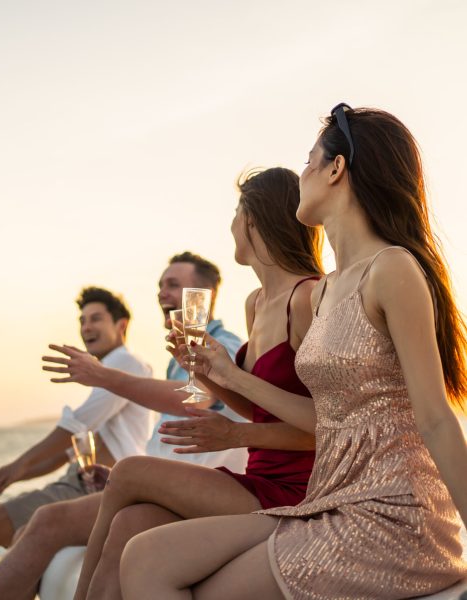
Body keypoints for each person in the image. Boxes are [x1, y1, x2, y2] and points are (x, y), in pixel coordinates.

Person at [120, 106, 467, 600]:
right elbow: (323, 417)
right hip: (331, 502)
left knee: (189, 584)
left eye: (309, 161)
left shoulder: (392, 269)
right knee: (146, 556)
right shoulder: (324, 294)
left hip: (395, 515)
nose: (301, 173)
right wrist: (225, 374)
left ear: (336, 169)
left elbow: (435, 418)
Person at [72, 167, 323, 600]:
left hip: (296, 490)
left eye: (236, 211)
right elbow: (256, 405)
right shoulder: (257, 304)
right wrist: (206, 370)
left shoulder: (307, 299)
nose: (230, 225)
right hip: (256, 479)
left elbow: (326, 428)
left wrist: (233, 434)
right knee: (131, 524)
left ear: (255, 220)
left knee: (128, 473)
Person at [0, 251, 260, 600]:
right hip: (159, 485)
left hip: (192, 493)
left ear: (204, 296)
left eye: (173, 285)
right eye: (160, 286)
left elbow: (196, 399)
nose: (161, 293)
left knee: (46, 523)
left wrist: (103, 376)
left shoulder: (223, 344)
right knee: (40, 525)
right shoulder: (180, 357)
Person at [0, 287, 153, 600]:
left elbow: (75, 426)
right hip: (77, 482)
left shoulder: (125, 363)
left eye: (96, 318)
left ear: (121, 326)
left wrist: (13, 468)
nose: (86, 327)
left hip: (93, 488)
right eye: (82, 320)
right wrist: (8, 477)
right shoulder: (108, 373)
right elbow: (66, 452)